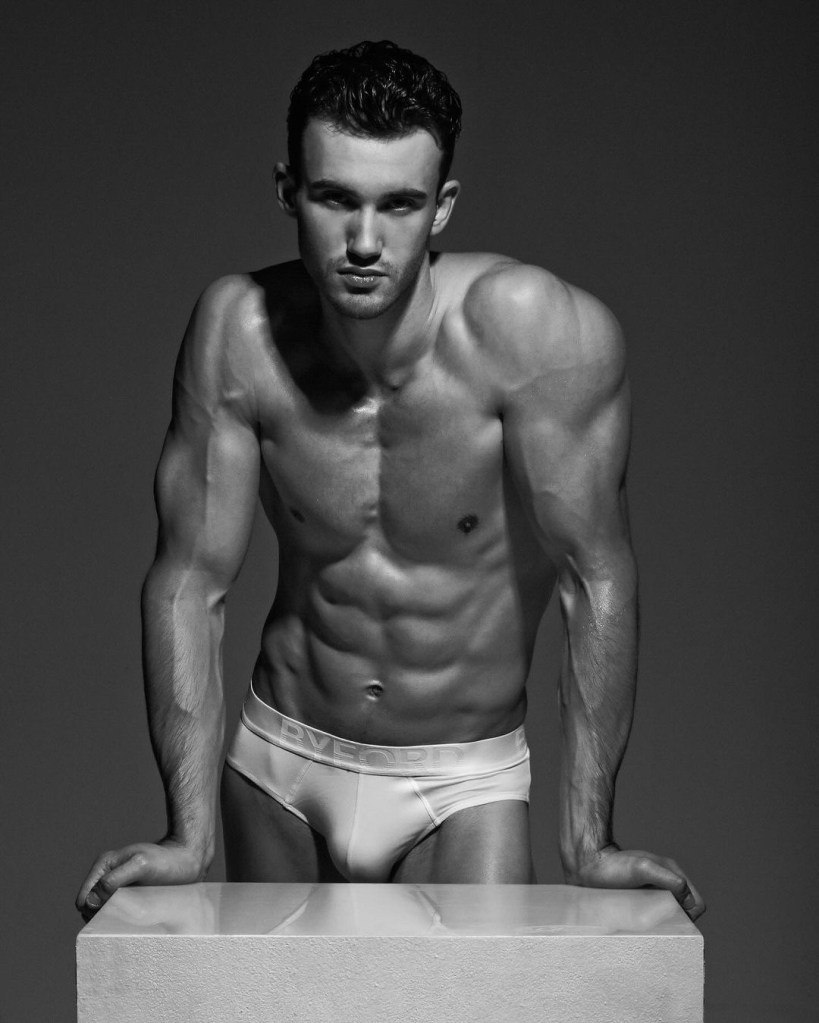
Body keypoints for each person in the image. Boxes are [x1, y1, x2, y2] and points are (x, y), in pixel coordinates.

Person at [77, 40, 704, 921]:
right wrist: (187, 834)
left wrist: (589, 841)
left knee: (471, 997)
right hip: (279, 764)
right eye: (335, 198)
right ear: (288, 191)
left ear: (441, 207)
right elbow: (189, 581)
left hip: (459, 782)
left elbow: (593, 575)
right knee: (265, 1000)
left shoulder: (538, 334)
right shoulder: (238, 333)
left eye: (398, 204)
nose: (365, 242)